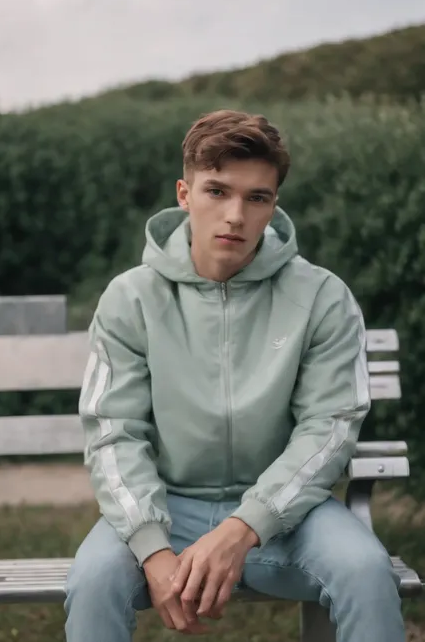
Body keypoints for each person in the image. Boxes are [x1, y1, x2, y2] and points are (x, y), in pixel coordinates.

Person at [64, 110, 404, 642]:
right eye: (217, 191)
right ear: (184, 193)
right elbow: (113, 431)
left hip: (289, 515)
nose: (235, 216)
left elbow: (329, 427)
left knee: (365, 570)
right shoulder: (130, 298)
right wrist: (153, 551)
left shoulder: (321, 296)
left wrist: (245, 527)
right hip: (168, 505)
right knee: (93, 580)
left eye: (257, 198)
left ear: (273, 204)